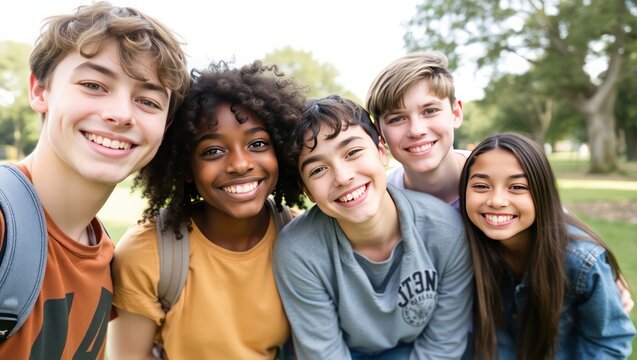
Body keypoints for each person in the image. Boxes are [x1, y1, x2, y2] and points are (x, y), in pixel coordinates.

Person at [365, 51, 634, 313]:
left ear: (456, 113)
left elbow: (555, 219)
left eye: (430, 110)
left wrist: (606, 271)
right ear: (380, 132)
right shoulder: (381, 199)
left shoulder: (493, 174)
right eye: (397, 118)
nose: (416, 130)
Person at [0, 2, 189, 358]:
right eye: (93, 85)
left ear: (164, 126)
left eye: (147, 101)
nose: (120, 114)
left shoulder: (105, 258)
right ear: (40, 91)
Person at [108, 60, 307, 359]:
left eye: (257, 144)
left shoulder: (301, 238)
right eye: (213, 151)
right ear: (187, 168)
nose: (240, 164)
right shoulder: (149, 253)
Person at [273, 95, 473, 359]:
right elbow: (325, 352)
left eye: (353, 152)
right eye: (318, 170)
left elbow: (443, 344)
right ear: (307, 190)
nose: (343, 177)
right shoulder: (298, 250)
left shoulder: (447, 230)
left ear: (381, 149)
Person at [458, 132, 636, 359]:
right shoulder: (463, 248)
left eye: (517, 187)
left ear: (542, 192)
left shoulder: (581, 261)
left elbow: (608, 342)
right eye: (482, 186)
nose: (496, 200)